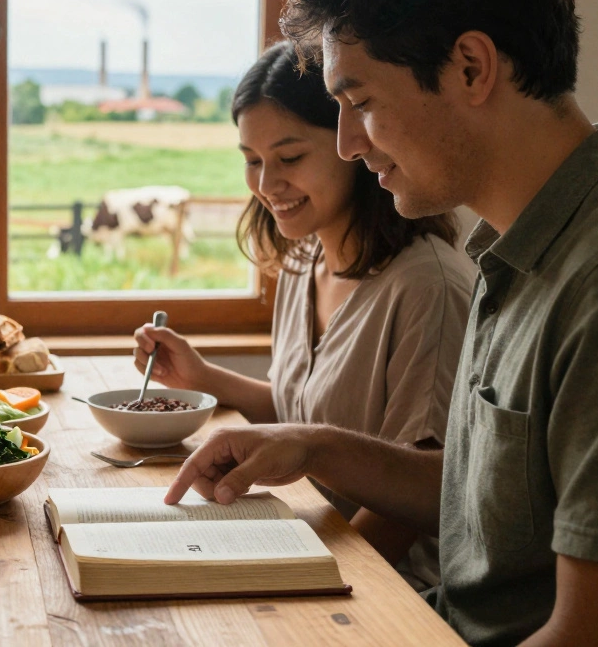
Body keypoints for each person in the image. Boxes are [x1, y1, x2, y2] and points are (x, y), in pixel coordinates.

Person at [163, 0, 598, 645]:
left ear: (471, 68)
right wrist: (312, 444)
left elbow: (594, 632)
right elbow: (491, 497)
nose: (348, 143)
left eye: (362, 102)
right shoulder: (520, 244)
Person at [134, 41, 473, 590]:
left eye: (289, 158)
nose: (267, 185)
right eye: (251, 160)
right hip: (305, 544)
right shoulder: (302, 260)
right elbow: (306, 409)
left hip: (390, 585)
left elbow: (419, 496)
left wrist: (307, 574)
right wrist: (203, 378)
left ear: (352, 146)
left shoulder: (425, 287)